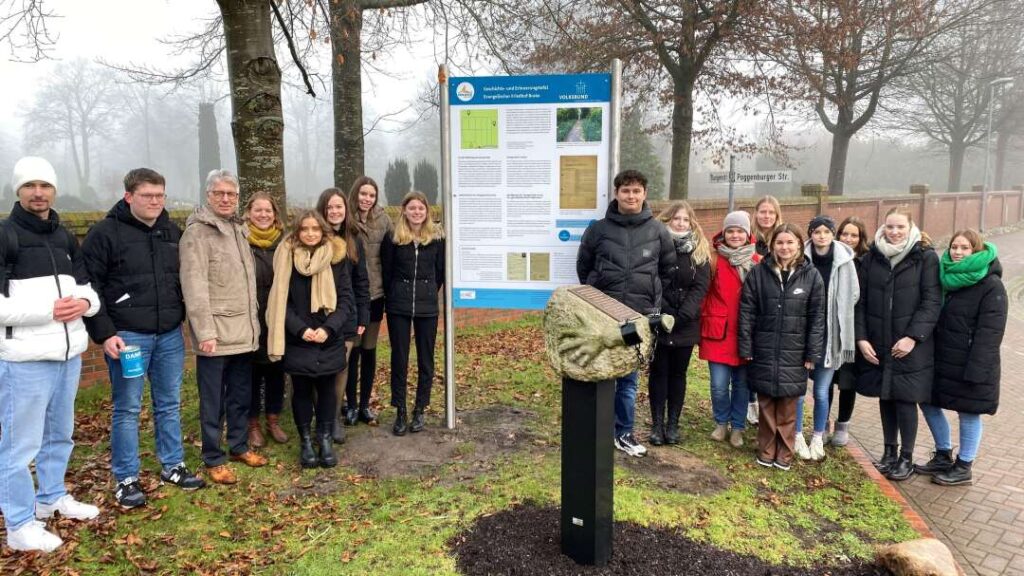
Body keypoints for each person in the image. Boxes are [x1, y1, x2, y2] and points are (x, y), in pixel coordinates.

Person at [81, 168, 205, 510]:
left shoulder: (170, 231)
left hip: (168, 335)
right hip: (128, 338)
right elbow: (89, 287)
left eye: (160, 195)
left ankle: (173, 466)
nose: (155, 202)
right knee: (128, 408)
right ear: (129, 196)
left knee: (168, 403)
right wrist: (104, 334)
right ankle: (126, 478)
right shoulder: (104, 234)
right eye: (148, 195)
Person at [0, 157, 101, 552]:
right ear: (18, 191)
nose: (38, 193)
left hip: (68, 355)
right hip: (25, 360)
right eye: (30, 186)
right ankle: (20, 522)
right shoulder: (5, 236)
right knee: (18, 445)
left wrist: (85, 306)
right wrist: (48, 311)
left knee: (60, 434)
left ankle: (51, 497)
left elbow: (87, 288)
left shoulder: (63, 237)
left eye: (45, 185)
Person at [577, 169, 675, 457]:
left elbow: (667, 271)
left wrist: (651, 299)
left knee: (628, 380)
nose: (631, 196)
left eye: (636, 191)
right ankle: (597, 431)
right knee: (599, 374)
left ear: (644, 194)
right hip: (602, 317)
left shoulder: (658, 231)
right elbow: (584, 267)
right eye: (625, 190)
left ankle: (624, 432)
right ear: (616, 193)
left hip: (636, 318)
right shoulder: (598, 229)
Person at [180, 169, 267, 486]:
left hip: (243, 332)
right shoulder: (198, 234)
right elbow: (194, 287)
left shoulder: (238, 230)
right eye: (220, 193)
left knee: (240, 395)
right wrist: (205, 332)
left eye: (232, 193)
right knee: (213, 400)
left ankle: (239, 446)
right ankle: (213, 456)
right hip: (215, 335)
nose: (227, 198)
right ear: (208, 196)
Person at [855, 207, 941, 481]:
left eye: (900, 227)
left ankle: (906, 457)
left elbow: (931, 301)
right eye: (889, 227)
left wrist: (913, 337)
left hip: (910, 345)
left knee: (905, 400)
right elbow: (861, 301)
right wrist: (861, 338)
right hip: (879, 341)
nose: (894, 232)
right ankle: (889, 452)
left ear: (910, 228)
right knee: (886, 397)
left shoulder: (925, 258)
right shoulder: (872, 258)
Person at [915, 230, 1006, 486]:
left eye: (965, 248)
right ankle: (943, 453)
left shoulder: (991, 285)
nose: (957, 252)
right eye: (954, 246)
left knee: (969, 412)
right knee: (927, 401)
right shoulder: (944, 278)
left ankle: (964, 465)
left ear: (976, 251)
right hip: (942, 359)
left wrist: (977, 371)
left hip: (971, 363)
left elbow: (990, 333)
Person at [266, 211, 354, 468]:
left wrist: (329, 328)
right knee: (301, 389)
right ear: (297, 232)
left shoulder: (337, 259)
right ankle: (306, 440)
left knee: (328, 389)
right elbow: (282, 300)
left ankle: (324, 437)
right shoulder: (287, 258)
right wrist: (300, 329)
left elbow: (346, 300)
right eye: (305, 229)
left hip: (329, 335)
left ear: (323, 231)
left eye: (316, 228)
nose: (311, 233)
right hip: (299, 337)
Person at [739, 223, 824, 471]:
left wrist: (812, 352)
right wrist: (747, 346)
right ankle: (766, 450)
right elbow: (747, 311)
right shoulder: (759, 272)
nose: (784, 247)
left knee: (788, 406)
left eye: (790, 242)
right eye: (780, 242)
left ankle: (784, 454)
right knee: (765, 403)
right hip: (764, 348)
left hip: (795, 351)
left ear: (799, 244)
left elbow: (818, 317)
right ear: (773, 244)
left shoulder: (812, 275)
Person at [792, 215, 859, 461]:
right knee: (799, 392)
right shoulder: (801, 257)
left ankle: (818, 436)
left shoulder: (845, 260)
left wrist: (835, 312)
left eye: (826, 231)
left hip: (830, 336)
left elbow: (853, 294)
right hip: (802, 333)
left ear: (833, 234)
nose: (821, 235)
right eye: (816, 231)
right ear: (810, 233)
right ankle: (797, 434)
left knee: (821, 392)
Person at [382, 191, 445, 436]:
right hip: (399, 304)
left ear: (427, 211)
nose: (416, 212)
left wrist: (428, 290)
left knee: (425, 359)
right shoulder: (394, 237)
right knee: (399, 358)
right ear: (404, 211)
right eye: (412, 208)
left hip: (427, 306)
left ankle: (420, 408)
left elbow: (440, 271)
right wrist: (396, 293)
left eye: (421, 208)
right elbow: (387, 270)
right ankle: (400, 410)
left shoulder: (437, 238)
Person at [648, 201, 710, 446]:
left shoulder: (699, 250)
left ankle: (673, 423)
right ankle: (657, 424)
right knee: (658, 372)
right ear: (667, 221)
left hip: (686, 321)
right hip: (659, 318)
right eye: (676, 219)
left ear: (691, 223)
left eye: (685, 220)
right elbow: (651, 280)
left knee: (678, 374)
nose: (681, 223)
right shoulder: (656, 246)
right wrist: (663, 312)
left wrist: (682, 315)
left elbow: (700, 286)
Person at [699, 211, 759, 449]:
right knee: (719, 384)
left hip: (746, 334)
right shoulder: (713, 259)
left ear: (748, 234)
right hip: (718, 332)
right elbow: (703, 295)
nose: (735, 235)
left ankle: (738, 427)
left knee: (742, 386)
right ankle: (721, 422)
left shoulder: (758, 262)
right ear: (724, 233)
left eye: (740, 231)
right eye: (731, 231)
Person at [317, 187, 369, 442]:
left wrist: (363, 316)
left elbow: (362, 280)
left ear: (346, 210)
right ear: (322, 210)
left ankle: (334, 418)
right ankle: (318, 417)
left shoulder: (354, 238)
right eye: (330, 208)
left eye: (339, 207)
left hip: (347, 314)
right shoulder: (313, 235)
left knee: (341, 368)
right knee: (318, 368)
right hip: (318, 315)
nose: (335, 211)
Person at [345, 176, 392, 428]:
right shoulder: (345, 218)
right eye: (363, 193)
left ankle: (364, 405)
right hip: (350, 296)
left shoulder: (383, 220)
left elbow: (392, 252)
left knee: (369, 350)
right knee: (352, 352)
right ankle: (350, 404)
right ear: (356, 194)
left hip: (375, 295)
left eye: (371, 195)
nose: (367, 199)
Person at [244, 192, 289, 448]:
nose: (263, 215)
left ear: (275, 214)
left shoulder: (284, 242)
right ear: (249, 212)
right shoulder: (240, 240)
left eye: (268, 210)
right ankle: (252, 425)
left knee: (275, 371)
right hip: (249, 318)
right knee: (250, 373)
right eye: (258, 210)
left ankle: (273, 419)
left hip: (277, 317)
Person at [830, 216, 870, 446]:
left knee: (847, 382)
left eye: (854, 235)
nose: (848, 239)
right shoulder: (831, 257)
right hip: (832, 330)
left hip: (852, 331)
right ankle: (822, 422)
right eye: (845, 234)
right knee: (826, 381)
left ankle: (843, 425)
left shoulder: (865, 262)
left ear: (861, 238)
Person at [749, 195, 782, 425]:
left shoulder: (783, 239)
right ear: (756, 213)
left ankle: (766, 407)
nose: (767, 216)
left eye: (771, 212)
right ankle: (751, 403)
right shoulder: (748, 237)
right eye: (763, 212)